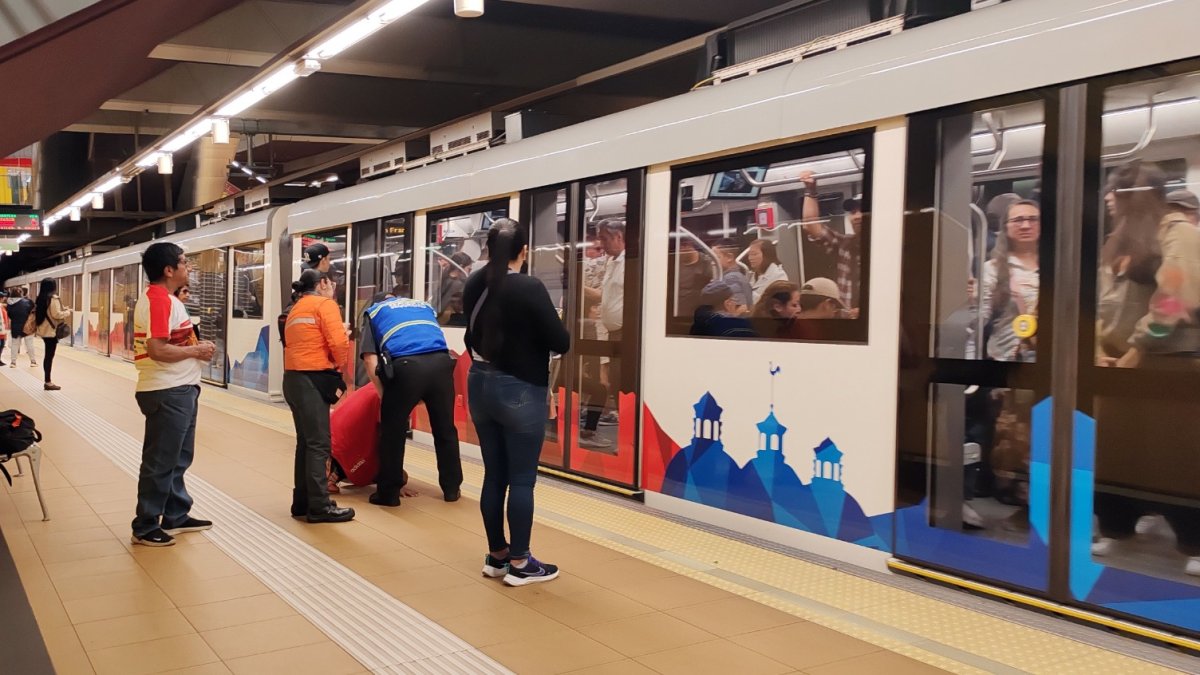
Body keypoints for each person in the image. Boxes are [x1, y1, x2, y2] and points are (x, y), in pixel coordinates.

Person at [463, 218, 570, 586]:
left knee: (495, 474)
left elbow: (470, 334)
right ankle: (522, 564)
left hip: (479, 385)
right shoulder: (529, 287)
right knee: (522, 479)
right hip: (521, 390)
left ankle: (498, 556)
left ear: (489, 250)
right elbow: (561, 342)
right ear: (524, 252)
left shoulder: (474, 283)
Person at [130, 243, 217, 547]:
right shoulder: (158, 300)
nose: (187, 267)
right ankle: (145, 524)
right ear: (169, 270)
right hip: (167, 390)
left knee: (178, 457)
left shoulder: (164, 300)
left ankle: (176, 514)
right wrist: (198, 350)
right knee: (161, 461)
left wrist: (194, 348)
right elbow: (157, 349)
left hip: (179, 388)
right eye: (183, 262)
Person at [359, 290, 462, 507]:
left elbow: (370, 360)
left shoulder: (375, 311)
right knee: (445, 430)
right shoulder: (421, 306)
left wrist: (387, 398)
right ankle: (452, 488)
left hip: (407, 367)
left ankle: (388, 493)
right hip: (442, 365)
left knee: (393, 432)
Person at [283, 269, 355, 523]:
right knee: (319, 444)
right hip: (311, 380)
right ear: (323, 283)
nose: (333, 287)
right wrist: (341, 369)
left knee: (305, 442)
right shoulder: (325, 304)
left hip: (292, 379)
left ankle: (302, 501)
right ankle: (320, 506)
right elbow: (339, 343)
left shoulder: (297, 306)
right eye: (332, 282)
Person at [973, 201, 1041, 362]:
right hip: (1007, 361)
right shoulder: (993, 269)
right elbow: (979, 321)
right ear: (1006, 227)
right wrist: (971, 301)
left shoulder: (1058, 268)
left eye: (1033, 219)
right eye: (1018, 220)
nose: (1025, 225)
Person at [800, 170, 864, 312]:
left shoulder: (887, 247)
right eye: (853, 212)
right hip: (847, 320)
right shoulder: (845, 245)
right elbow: (811, 226)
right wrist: (810, 190)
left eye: (863, 210)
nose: (857, 216)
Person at [33, 279, 71, 391]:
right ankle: (48, 382)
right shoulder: (53, 298)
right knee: (49, 356)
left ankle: (47, 381)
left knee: (48, 356)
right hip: (51, 331)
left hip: (44, 330)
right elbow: (57, 314)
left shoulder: (40, 298)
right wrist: (68, 312)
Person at [690, 279, 756, 338]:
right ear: (727, 304)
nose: (735, 303)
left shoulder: (697, 326)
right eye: (733, 299)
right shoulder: (739, 328)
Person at [711, 239, 754, 313]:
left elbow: (741, 309)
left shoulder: (731, 279)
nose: (713, 262)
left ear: (729, 257)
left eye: (716, 258)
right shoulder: (737, 276)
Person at [676, 237, 713, 318]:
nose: (678, 254)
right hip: (676, 308)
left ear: (689, 246)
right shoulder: (674, 262)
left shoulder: (706, 263)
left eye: (680, 250)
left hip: (697, 311)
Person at [747, 239, 788, 304]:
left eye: (754, 254)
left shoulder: (779, 275)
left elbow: (776, 302)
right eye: (749, 255)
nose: (750, 258)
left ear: (766, 255)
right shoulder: (754, 275)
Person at [7, 287, 35, 368]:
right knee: (29, 344)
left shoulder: (9, 303)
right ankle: (33, 361)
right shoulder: (27, 302)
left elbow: (9, 315)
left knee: (15, 345)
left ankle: (13, 362)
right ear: (21, 293)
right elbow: (33, 309)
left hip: (15, 326)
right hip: (27, 326)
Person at [0, 291, 8, 366]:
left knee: (2, 344)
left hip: (2, 329)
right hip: (1, 330)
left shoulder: (1, 306)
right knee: (1, 344)